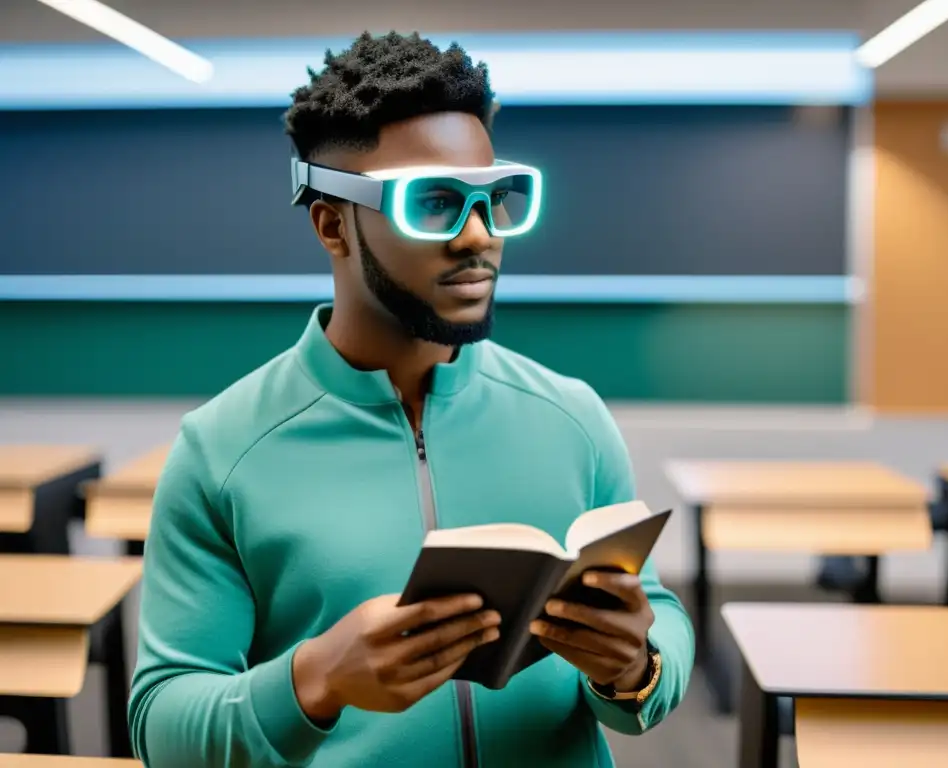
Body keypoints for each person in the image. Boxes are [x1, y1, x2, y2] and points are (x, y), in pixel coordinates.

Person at [128, 31, 694, 767]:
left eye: (496, 200)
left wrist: (636, 665)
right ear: (333, 223)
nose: (480, 236)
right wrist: (315, 681)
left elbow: (664, 620)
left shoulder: (573, 418)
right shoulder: (221, 451)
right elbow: (163, 727)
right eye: (434, 203)